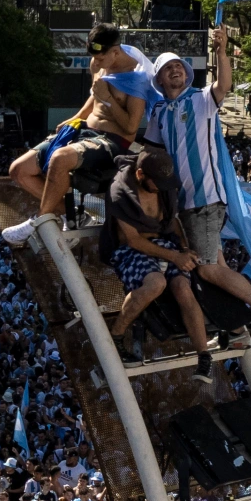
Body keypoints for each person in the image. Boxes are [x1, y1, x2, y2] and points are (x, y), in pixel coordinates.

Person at [141, 31, 251, 352]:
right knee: (216, 269)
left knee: (206, 269)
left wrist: (222, 52)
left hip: (207, 200)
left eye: (179, 66)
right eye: (169, 69)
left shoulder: (201, 98)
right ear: (160, 80)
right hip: (186, 207)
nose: (176, 70)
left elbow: (224, 85)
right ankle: (235, 328)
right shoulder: (158, 114)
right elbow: (149, 154)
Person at [3, 25, 148, 244]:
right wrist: (76, 117)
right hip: (84, 130)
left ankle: (40, 218)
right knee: (19, 170)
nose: (96, 64)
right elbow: (95, 98)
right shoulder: (96, 64)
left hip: (112, 140)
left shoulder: (137, 77)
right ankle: (70, 214)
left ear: (115, 53)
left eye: (100, 59)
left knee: (60, 159)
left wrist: (108, 98)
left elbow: (130, 127)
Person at [101, 149, 218, 382]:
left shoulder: (163, 190)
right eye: (157, 183)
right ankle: (116, 333)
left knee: (183, 288)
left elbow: (173, 222)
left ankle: (203, 355)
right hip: (132, 249)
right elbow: (133, 239)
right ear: (141, 174)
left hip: (165, 242)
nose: (160, 187)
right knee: (156, 283)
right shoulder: (119, 193)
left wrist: (183, 249)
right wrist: (174, 257)